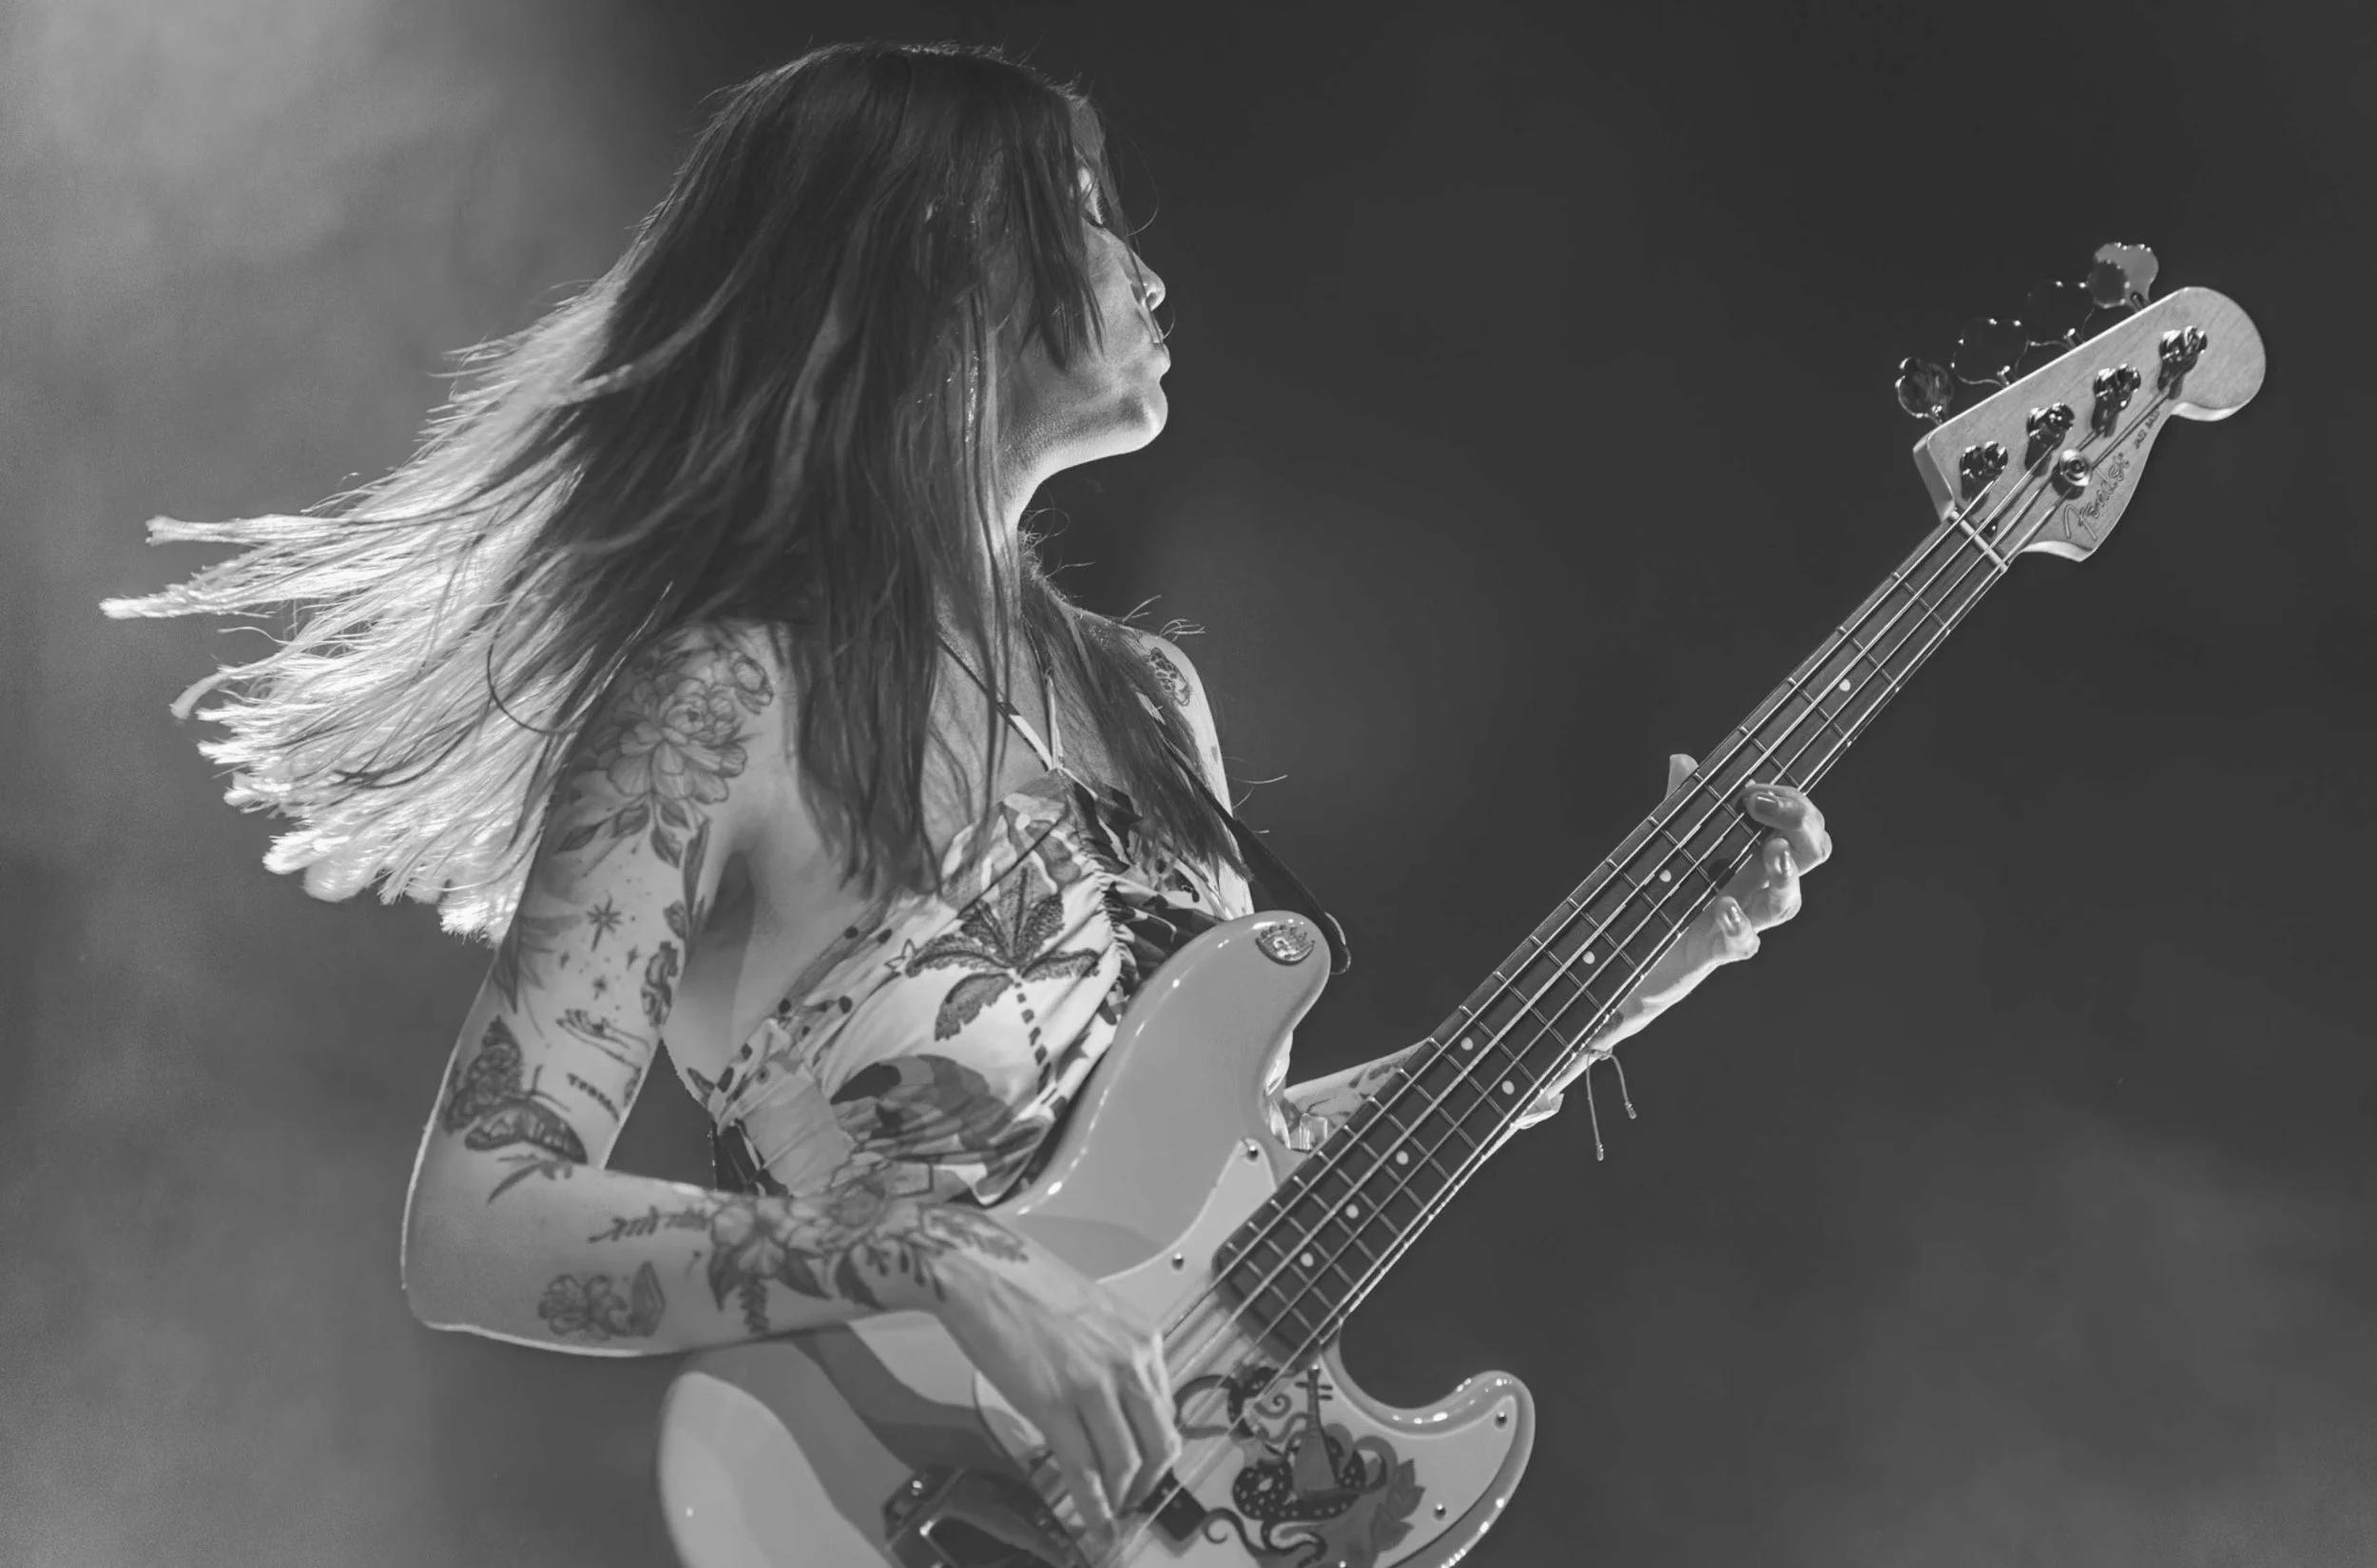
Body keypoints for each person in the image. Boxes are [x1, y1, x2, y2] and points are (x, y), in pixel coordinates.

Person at [105, 40, 1830, 1552]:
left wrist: (1614, 991)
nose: (1149, 271)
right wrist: (931, 1255)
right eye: (1089, 210)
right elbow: (476, 1222)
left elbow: (1228, 1200)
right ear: (947, 265)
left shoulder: (1147, 701)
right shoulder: (725, 705)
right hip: (912, 1514)